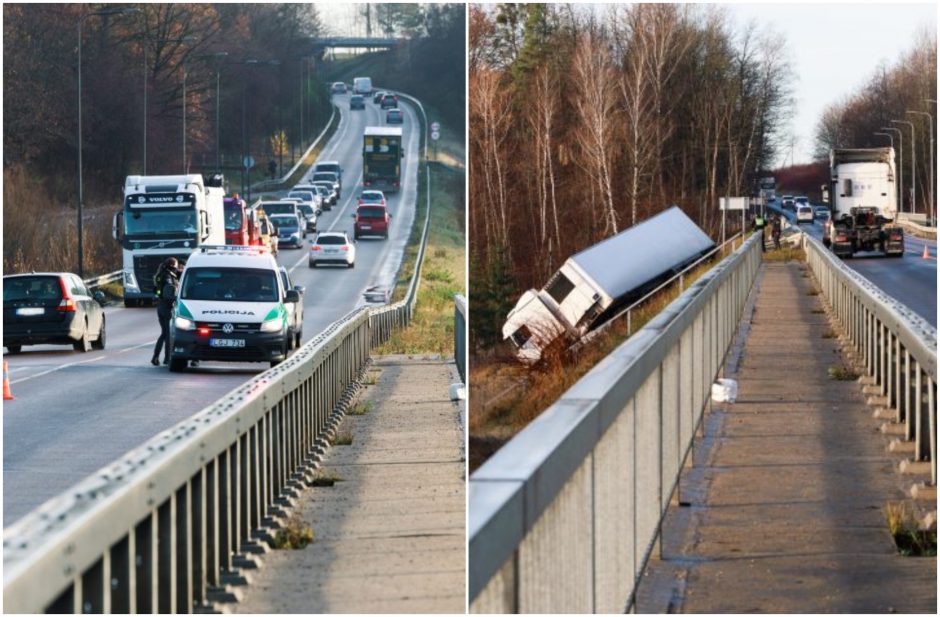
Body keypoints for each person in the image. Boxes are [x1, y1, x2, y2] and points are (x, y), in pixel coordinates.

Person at [151, 257, 181, 366]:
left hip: (160, 306)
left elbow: (156, 290)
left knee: (164, 334)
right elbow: (169, 291)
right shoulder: (168, 276)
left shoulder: (161, 274)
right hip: (167, 307)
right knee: (168, 335)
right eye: (177, 266)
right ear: (173, 265)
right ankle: (167, 358)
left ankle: (155, 357)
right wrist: (175, 299)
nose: (177, 269)